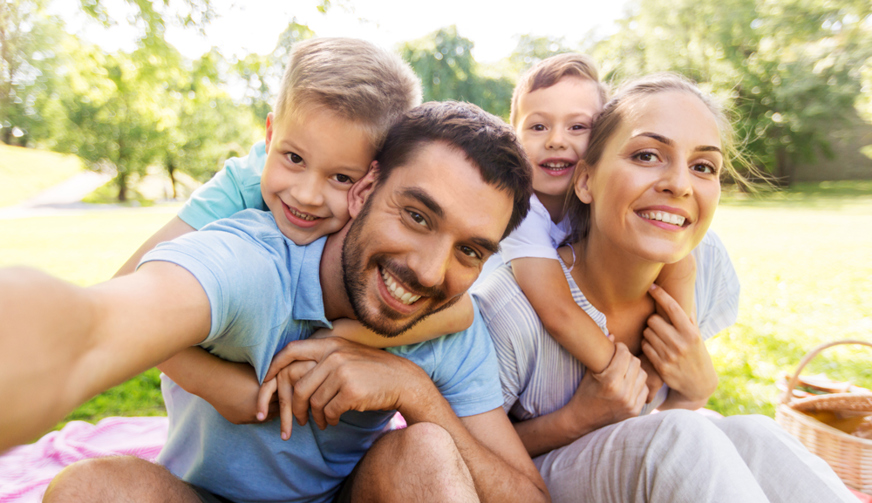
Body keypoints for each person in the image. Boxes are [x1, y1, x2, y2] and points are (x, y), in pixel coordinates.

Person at [0, 101, 549, 503]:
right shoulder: (254, 263)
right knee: (91, 490)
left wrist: (414, 391)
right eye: (416, 216)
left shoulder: (448, 325)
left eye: (470, 250)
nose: (429, 272)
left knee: (425, 450)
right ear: (363, 191)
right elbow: (95, 326)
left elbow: (526, 496)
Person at [473, 73, 856, 502]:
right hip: (532, 482)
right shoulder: (511, 306)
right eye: (647, 155)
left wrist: (696, 389)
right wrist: (579, 418)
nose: (680, 184)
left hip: (646, 462)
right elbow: (463, 451)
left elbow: (662, 417)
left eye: (703, 166)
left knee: (754, 433)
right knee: (681, 438)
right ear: (585, 181)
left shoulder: (704, 262)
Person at [495, 54, 696, 383]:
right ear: (513, 136)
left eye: (577, 127)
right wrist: (624, 375)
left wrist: (673, 354)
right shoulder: (520, 208)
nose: (556, 140)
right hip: (510, 341)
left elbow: (680, 263)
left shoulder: (607, 195)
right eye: (538, 126)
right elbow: (557, 311)